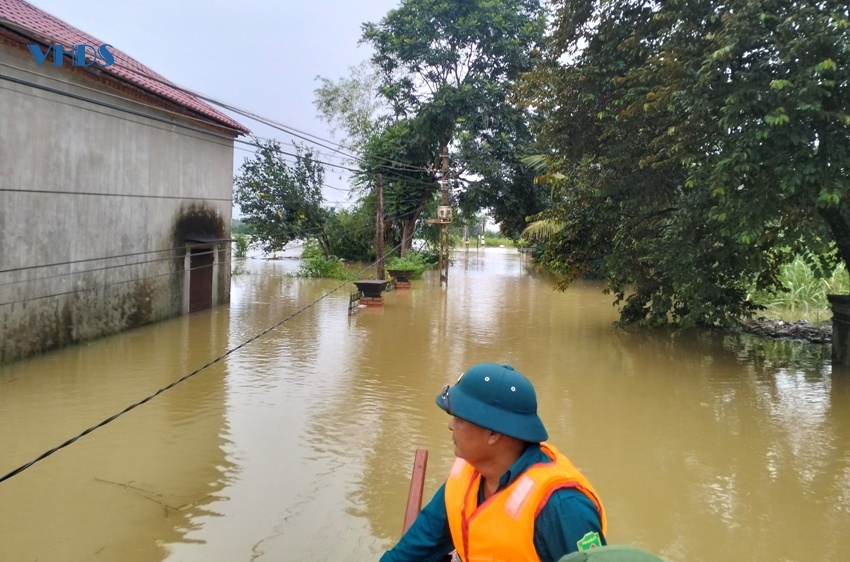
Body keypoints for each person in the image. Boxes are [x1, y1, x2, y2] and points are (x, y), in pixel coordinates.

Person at [380, 362, 607, 562]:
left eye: (459, 418)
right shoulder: (468, 472)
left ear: (493, 434)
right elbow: (422, 541)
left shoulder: (562, 507)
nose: (451, 426)